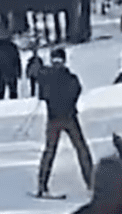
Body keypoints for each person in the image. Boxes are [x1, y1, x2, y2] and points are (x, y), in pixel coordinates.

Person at [35, 47, 94, 197]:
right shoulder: (71, 78)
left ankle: (42, 186)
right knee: (81, 149)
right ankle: (91, 184)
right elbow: (77, 91)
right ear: (65, 60)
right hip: (69, 118)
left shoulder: (46, 76)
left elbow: (41, 96)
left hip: (53, 119)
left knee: (49, 151)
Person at [0, 33, 22, 100]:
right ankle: (14, 107)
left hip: (0, 73)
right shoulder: (13, 46)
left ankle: (0, 107)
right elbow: (18, 61)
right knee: (13, 94)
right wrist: (19, 72)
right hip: (12, 72)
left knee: (0, 94)